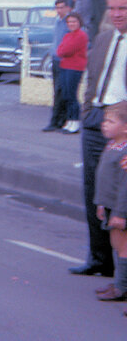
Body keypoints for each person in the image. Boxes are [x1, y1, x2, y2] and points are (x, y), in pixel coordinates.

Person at [72, 0, 127, 278]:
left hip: (124, 128)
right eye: (113, 8)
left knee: (121, 196)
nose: (117, 14)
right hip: (96, 120)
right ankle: (98, 259)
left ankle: (122, 270)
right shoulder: (104, 39)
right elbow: (91, 80)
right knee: (94, 191)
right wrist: (88, 112)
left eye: (123, 8)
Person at [93, 101, 127, 302]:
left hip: (120, 207)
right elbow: (105, 178)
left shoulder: (124, 152)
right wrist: (100, 203)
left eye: (110, 121)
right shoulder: (111, 144)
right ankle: (119, 282)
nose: (104, 124)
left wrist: (120, 213)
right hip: (109, 204)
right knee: (116, 245)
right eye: (105, 120)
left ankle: (121, 287)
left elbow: (125, 186)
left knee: (123, 247)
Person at [43, 0, 72, 132]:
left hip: (65, 60)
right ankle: (60, 120)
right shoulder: (57, 22)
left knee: (62, 91)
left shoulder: (70, 22)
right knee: (57, 91)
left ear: (67, 8)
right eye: (57, 8)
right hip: (55, 59)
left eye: (61, 7)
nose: (59, 10)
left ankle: (56, 121)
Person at [56, 12, 88, 134]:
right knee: (66, 95)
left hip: (75, 68)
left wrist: (63, 50)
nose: (71, 24)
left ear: (79, 22)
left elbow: (67, 50)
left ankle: (75, 122)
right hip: (65, 66)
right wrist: (63, 50)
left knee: (71, 95)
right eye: (69, 22)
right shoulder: (67, 35)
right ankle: (69, 121)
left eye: (74, 21)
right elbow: (60, 50)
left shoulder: (81, 35)